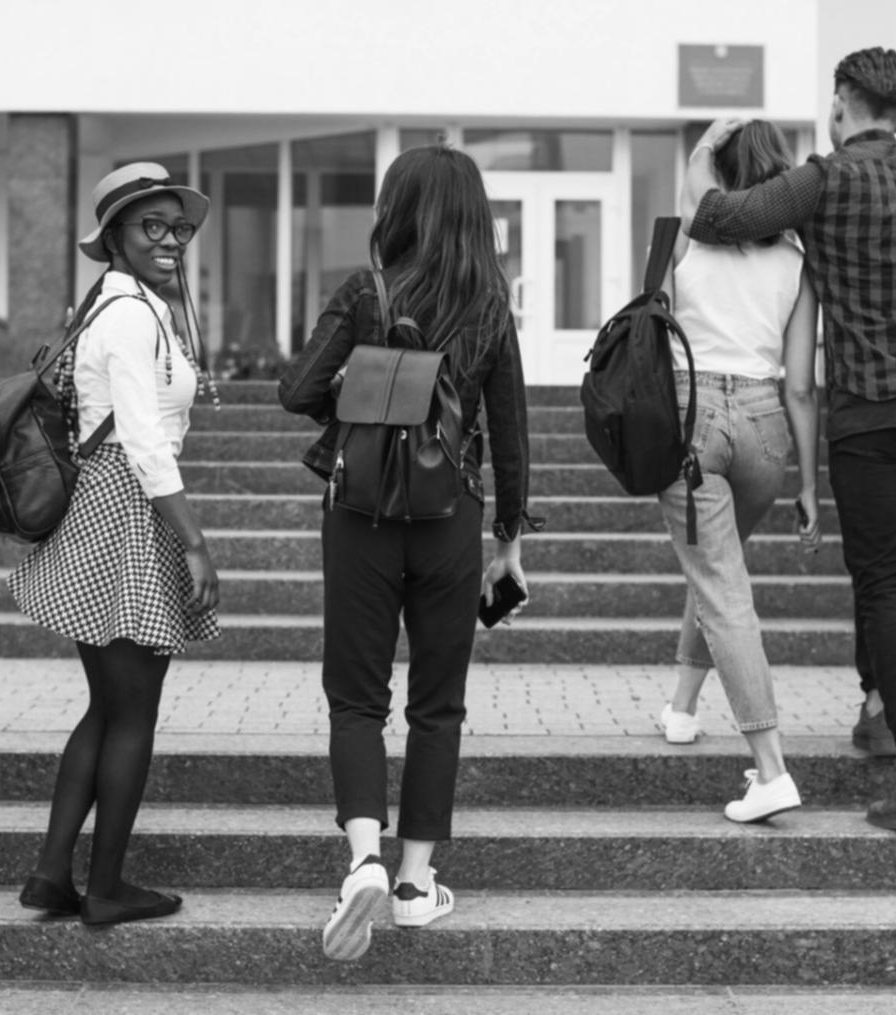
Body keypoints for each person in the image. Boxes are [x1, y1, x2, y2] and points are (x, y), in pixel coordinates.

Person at [681, 48, 896, 831]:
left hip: (870, 412)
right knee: (882, 565)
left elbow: (716, 218)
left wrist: (705, 153)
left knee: (882, 581)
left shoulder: (821, 179)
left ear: (843, 102)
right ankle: (875, 705)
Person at [278, 143, 538, 961]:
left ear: (396, 210)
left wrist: (372, 376)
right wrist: (509, 543)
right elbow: (513, 434)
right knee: (438, 702)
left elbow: (297, 391)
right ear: (473, 216)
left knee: (355, 697)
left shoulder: (367, 291)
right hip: (451, 516)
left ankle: (361, 859)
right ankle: (415, 884)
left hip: (358, 512)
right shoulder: (490, 303)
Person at [9, 162, 221, 926]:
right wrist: (192, 542)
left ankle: (50, 873)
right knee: (132, 710)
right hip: (128, 507)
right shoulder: (128, 315)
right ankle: (105, 885)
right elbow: (142, 439)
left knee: (106, 705)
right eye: (152, 227)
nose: (170, 240)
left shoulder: (123, 304)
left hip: (112, 505)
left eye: (179, 227)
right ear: (115, 238)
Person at [656, 121, 823, 823]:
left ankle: (771, 768)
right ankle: (681, 707)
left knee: (721, 584)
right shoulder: (795, 258)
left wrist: (700, 151)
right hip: (763, 428)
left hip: (691, 418)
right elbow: (800, 386)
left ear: (717, 173)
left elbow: (651, 323)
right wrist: (809, 483)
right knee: (716, 567)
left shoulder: (686, 236)